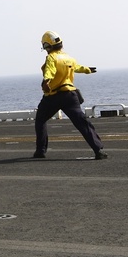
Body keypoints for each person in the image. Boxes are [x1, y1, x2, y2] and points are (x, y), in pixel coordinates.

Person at [34, 31, 108, 160]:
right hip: (70, 96)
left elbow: (50, 71)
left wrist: (46, 81)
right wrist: (88, 70)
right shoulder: (68, 58)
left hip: (52, 97)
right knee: (82, 123)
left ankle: (41, 150)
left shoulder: (51, 57)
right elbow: (77, 67)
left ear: (47, 45)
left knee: (40, 120)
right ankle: (98, 150)